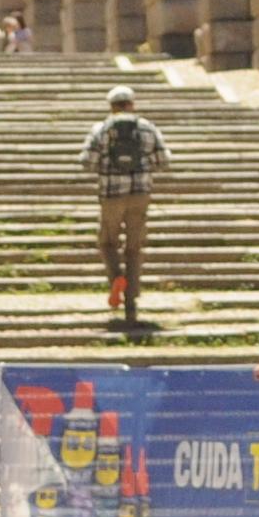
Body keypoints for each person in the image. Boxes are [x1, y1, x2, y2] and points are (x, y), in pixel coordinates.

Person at [81, 84, 167, 334]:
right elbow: (163, 160)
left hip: (111, 195)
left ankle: (116, 277)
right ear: (132, 104)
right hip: (140, 194)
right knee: (134, 247)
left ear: (111, 106)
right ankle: (131, 301)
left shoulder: (102, 128)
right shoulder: (147, 127)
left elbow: (87, 161)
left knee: (107, 241)